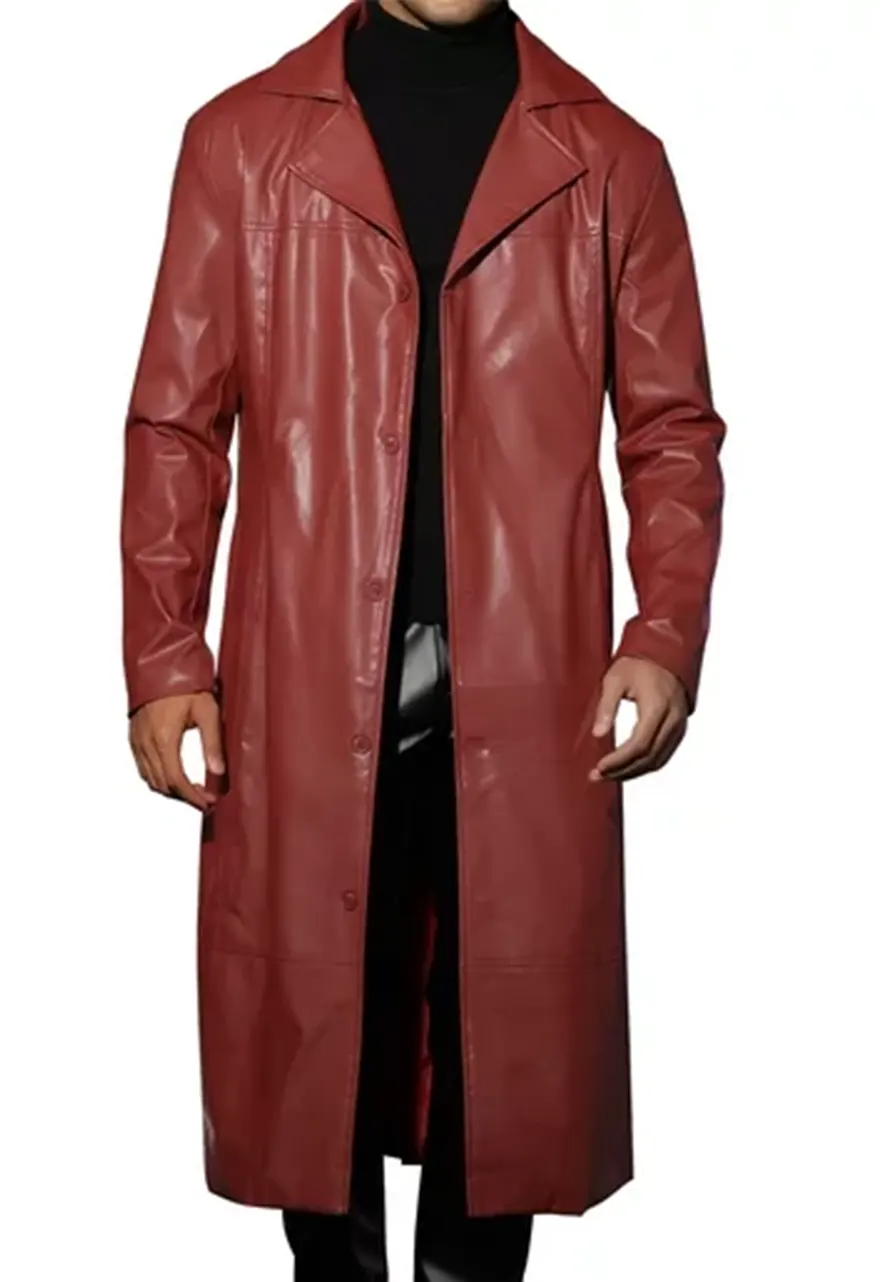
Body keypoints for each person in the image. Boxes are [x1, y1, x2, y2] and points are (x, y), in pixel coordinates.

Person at [119, 0, 726, 1277]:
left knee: (501, 1043)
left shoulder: (612, 158)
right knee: (319, 1028)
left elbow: (671, 430)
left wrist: (665, 631)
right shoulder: (242, 143)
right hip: (303, 668)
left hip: (532, 672)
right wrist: (166, 653)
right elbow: (177, 423)